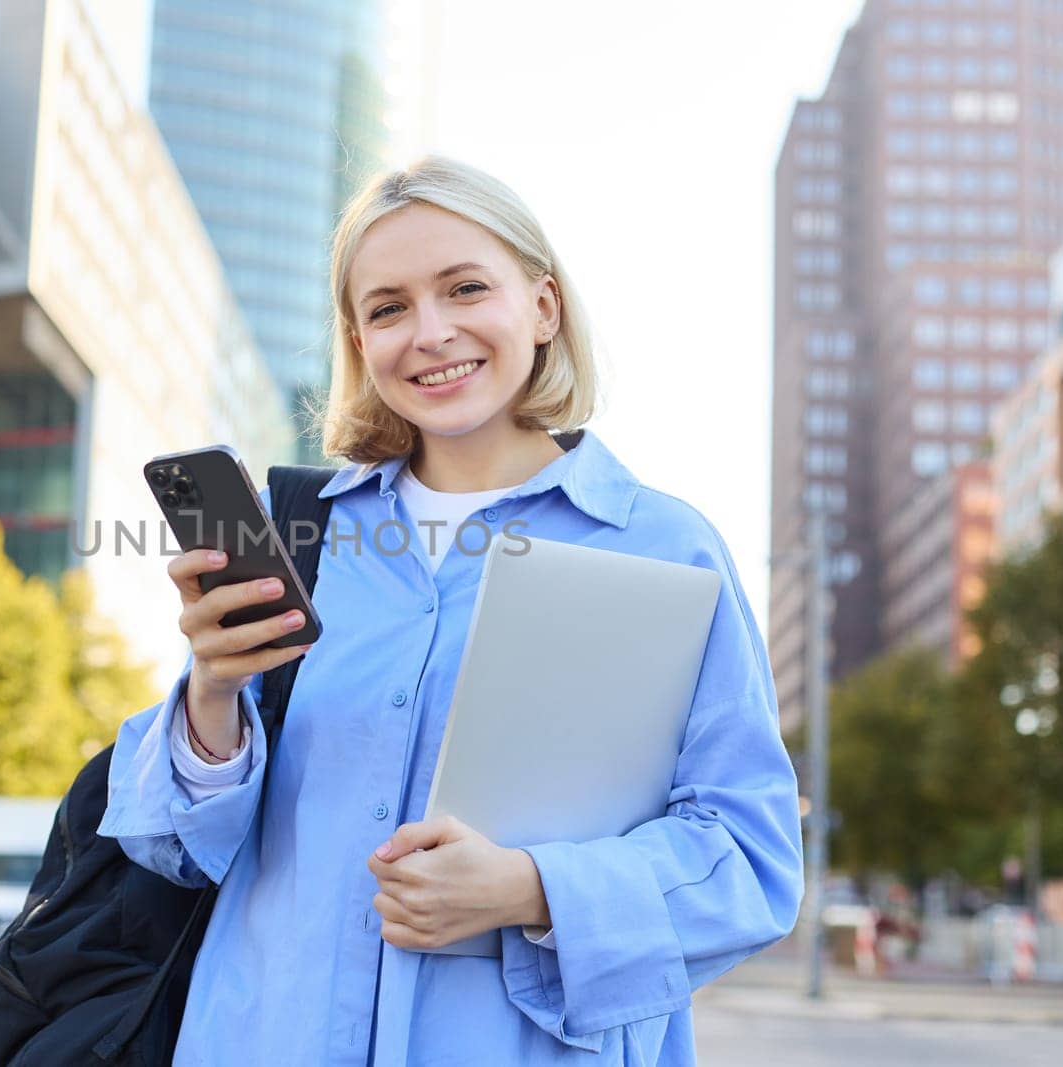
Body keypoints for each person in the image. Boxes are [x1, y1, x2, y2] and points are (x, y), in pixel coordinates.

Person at [98, 157, 804, 1065]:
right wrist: (211, 694)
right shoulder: (297, 538)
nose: (430, 333)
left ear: (543, 306)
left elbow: (751, 859)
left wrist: (529, 887)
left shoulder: (663, 546)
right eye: (387, 308)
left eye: (466, 288)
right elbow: (174, 850)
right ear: (359, 342)